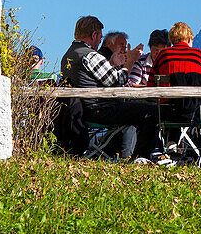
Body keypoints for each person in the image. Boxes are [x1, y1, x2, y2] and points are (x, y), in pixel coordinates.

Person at [60, 16, 157, 161]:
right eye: (99, 37)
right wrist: (129, 62)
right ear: (94, 35)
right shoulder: (90, 55)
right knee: (152, 111)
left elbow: (96, 77)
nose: (100, 41)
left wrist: (110, 64)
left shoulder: (68, 55)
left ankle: (114, 152)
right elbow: (117, 81)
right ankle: (140, 157)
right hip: (100, 109)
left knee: (136, 111)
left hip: (83, 110)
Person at [153, 22, 201, 124]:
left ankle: (172, 139)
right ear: (189, 39)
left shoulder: (163, 55)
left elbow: (151, 83)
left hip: (168, 111)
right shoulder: (199, 55)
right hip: (197, 111)